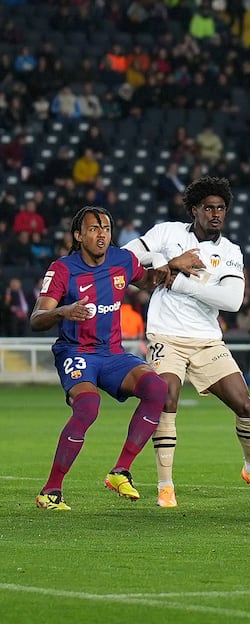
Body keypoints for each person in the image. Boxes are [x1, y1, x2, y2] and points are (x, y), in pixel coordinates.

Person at [125, 177, 250, 508]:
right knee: (167, 397)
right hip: (166, 336)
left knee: (244, 405)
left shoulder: (230, 251)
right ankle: (165, 485)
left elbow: (232, 300)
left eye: (221, 208)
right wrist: (166, 266)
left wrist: (177, 283)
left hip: (207, 341)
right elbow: (126, 258)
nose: (216, 214)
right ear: (195, 210)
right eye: (209, 208)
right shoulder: (167, 234)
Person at [32, 206, 170, 510]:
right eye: (94, 228)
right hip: (77, 352)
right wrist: (63, 311)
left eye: (106, 228)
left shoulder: (122, 259)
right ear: (79, 235)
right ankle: (51, 491)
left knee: (158, 389)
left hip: (112, 354)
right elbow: (37, 317)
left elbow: (146, 281)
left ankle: (120, 471)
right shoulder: (63, 269)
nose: (101, 234)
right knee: (88, 406)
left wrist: (173, 266)